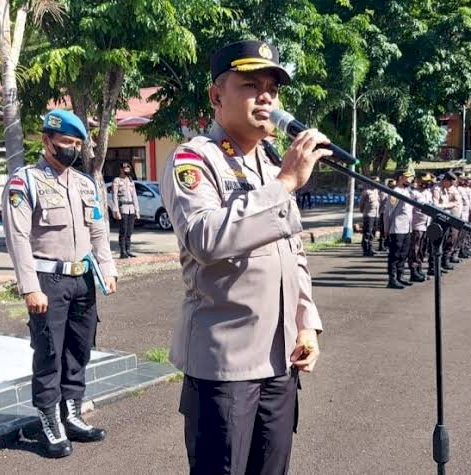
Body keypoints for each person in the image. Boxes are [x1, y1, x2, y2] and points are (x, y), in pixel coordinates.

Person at [160, 40, 326, 475]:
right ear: (217, 96)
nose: (267, 96)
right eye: (251, 85)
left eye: (272, 87)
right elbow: (204, 238)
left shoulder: (272, 167)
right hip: (225, 365)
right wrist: (285, 184)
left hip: (280, 359)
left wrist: (306, 322)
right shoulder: (195, 158)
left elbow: (295, 254)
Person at [2, 109, 117, 458]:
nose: (72, 148)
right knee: (50, 352)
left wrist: (107, 267)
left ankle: (72, 414)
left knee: (79, 349)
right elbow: (18, 237)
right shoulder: (26, 182)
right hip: (47, 280)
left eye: (77, 143)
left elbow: (98, 229)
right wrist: (29, 286)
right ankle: (50, 420)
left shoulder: (83, 183)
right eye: (66, 142)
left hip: (83, 278)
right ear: (47, 140)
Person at [384, 169, 415, 289]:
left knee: (403, 254)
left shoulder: (407, 191)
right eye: (407, 177)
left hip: (407, 228)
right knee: (395, 255)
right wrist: (386, 229)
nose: (410, 179)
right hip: (397, 228)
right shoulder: (395, 192)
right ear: (401, 178)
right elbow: (388, 212)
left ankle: (400, 276)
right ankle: (392, 279)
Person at [112, 162, 140, 258]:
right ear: (121, 169)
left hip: (131, 208)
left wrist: (137, 210)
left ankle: (128, 250)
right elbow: (114, 196)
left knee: (129, 231)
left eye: (128, 168)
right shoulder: (117, 180)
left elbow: (134, 196)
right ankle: (122, 252)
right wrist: (116, 210)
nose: (127, 170)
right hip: (123, 208)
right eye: (125, 168)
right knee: (123, 231)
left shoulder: (131, 181)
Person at [409, 173, 433, 282]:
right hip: (416, 226)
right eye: (423, 181)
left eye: (427, 182)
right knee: (415, 249)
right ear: (418, 181)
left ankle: (419, 269)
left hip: (426, 225)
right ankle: (413, 272)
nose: (426, 184)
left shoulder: (428, 193)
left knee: (422, 249)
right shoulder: (413, 194)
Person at [359, 178, 381, 256]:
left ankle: (370, 247)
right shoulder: (366, 192)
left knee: (373, 232)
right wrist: (363, 212)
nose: (377, 183)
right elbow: (361, 204)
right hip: (369, 215)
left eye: (377, 182)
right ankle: (366, 249)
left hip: (376, 215)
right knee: (367, 232)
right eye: (375, 182)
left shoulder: (376, 191)